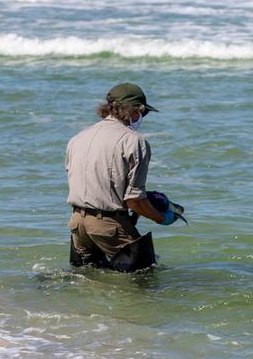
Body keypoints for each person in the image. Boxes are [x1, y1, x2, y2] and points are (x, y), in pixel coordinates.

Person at [64, 83, 177, 272]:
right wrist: (161, 218)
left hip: (77, 224)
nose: (142, 118)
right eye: (144, 113)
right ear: (135, 110)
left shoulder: (78, 138)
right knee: (145, 279)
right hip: (108, 226)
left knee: (87, 279)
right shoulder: (134, 141)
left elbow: (91, 182)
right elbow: (134, 200)